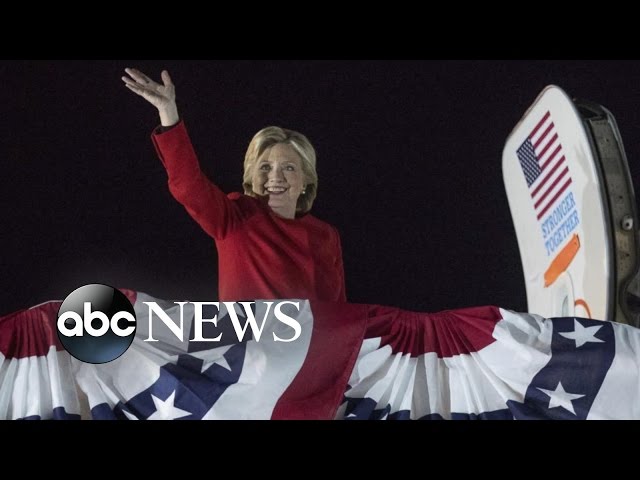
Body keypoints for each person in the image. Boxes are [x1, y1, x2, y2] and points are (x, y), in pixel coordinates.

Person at [122, 68, 346, 303]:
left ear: (306, 179)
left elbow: (339, 311)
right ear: (251, 177)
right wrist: (168, 112)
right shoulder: (236, 216)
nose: (275, 177)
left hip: (311, 328)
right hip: (247, 328)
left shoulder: (327, 236)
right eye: (265, 167)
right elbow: (188, 185)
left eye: (288, 167)